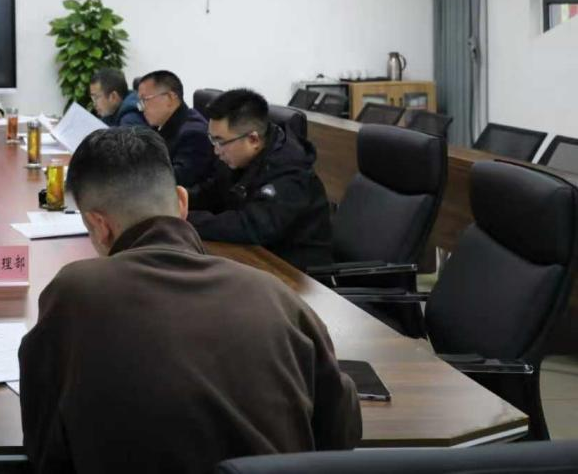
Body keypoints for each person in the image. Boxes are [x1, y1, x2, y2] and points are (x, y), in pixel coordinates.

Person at [19, 128, 360, 474]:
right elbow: (339, 433)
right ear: (182, 202)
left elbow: (43, 445)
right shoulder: (276, 296)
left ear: (99, 225)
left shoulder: (75, 293)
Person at [189, 88, 334, 271]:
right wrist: (176, 200)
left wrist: (186, 218)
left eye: (221, 142)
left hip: (298, 274)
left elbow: (252, 226)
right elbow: (212, 192)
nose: (216, 150)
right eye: (212, 140)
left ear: (253, 139)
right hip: (259, 261)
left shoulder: (290, 172)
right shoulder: (239, 157)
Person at [135, 69, 213, 189]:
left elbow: (174, 180)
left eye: (145, 100)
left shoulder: (193, 134)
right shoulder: (160, 124)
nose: (141, 108)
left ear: (170, 98)